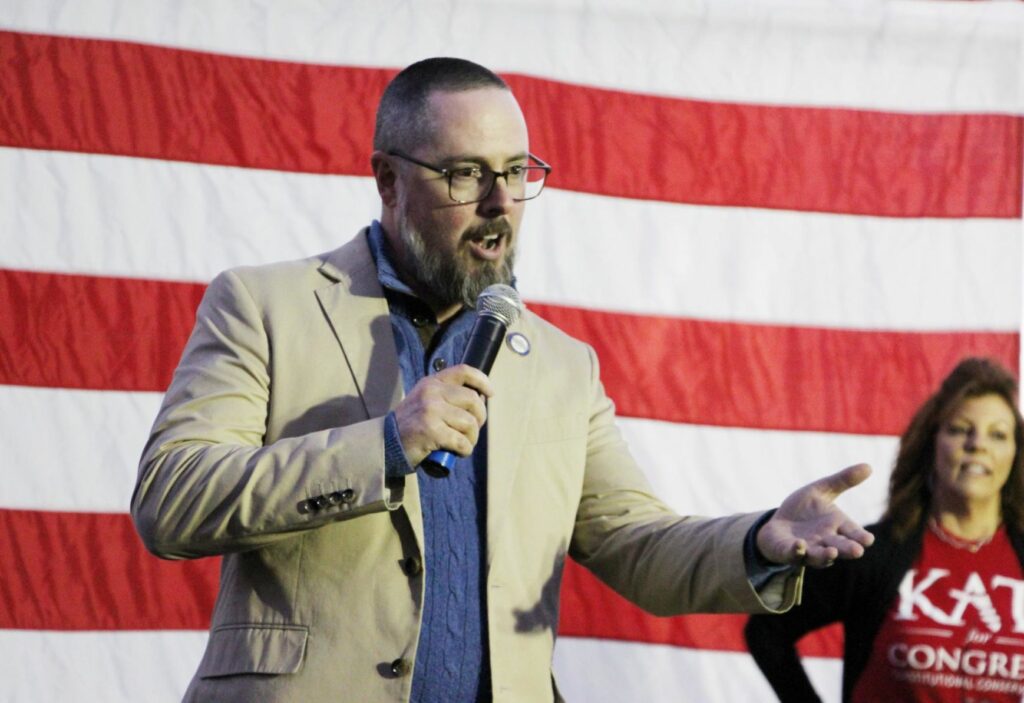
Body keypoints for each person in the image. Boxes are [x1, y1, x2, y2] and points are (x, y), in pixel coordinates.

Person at [130, 57, 874, 702]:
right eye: (466, 174)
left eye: (517, 171)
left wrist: (760, 540)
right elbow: (172, 499)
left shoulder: (559, 364)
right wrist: (385, 444)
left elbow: (635, 542)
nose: (501, 202)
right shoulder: (265, 305)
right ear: (387, 180)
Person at [745, 357, 1024, 702]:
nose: (977, 443)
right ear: (932, 443)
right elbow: (767, 630)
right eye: (959, 429)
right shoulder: (875, 553)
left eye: (998, 434)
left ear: (1016, 452)